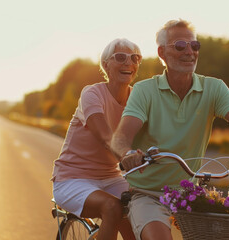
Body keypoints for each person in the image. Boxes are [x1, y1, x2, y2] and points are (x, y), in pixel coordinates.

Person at [111, 19, 229, 240]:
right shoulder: (145, 91)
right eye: (180, 45)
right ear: (162, 53)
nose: (189, 51)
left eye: (195, 45)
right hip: (148, 194)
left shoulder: (214, 88)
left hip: (189, 194)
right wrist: (128, 154)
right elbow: (121, 137)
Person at [51, 38, 141, 240]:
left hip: (112, 178)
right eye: (121, 57)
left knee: (141, 209)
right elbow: (105, 136)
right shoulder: (92, 94)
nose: (129, 62)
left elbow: (154, 134)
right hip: (73, 178)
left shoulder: (137, 98)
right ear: (106, 65)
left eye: (135, 58)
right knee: (112, 207)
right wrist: (127, 154)